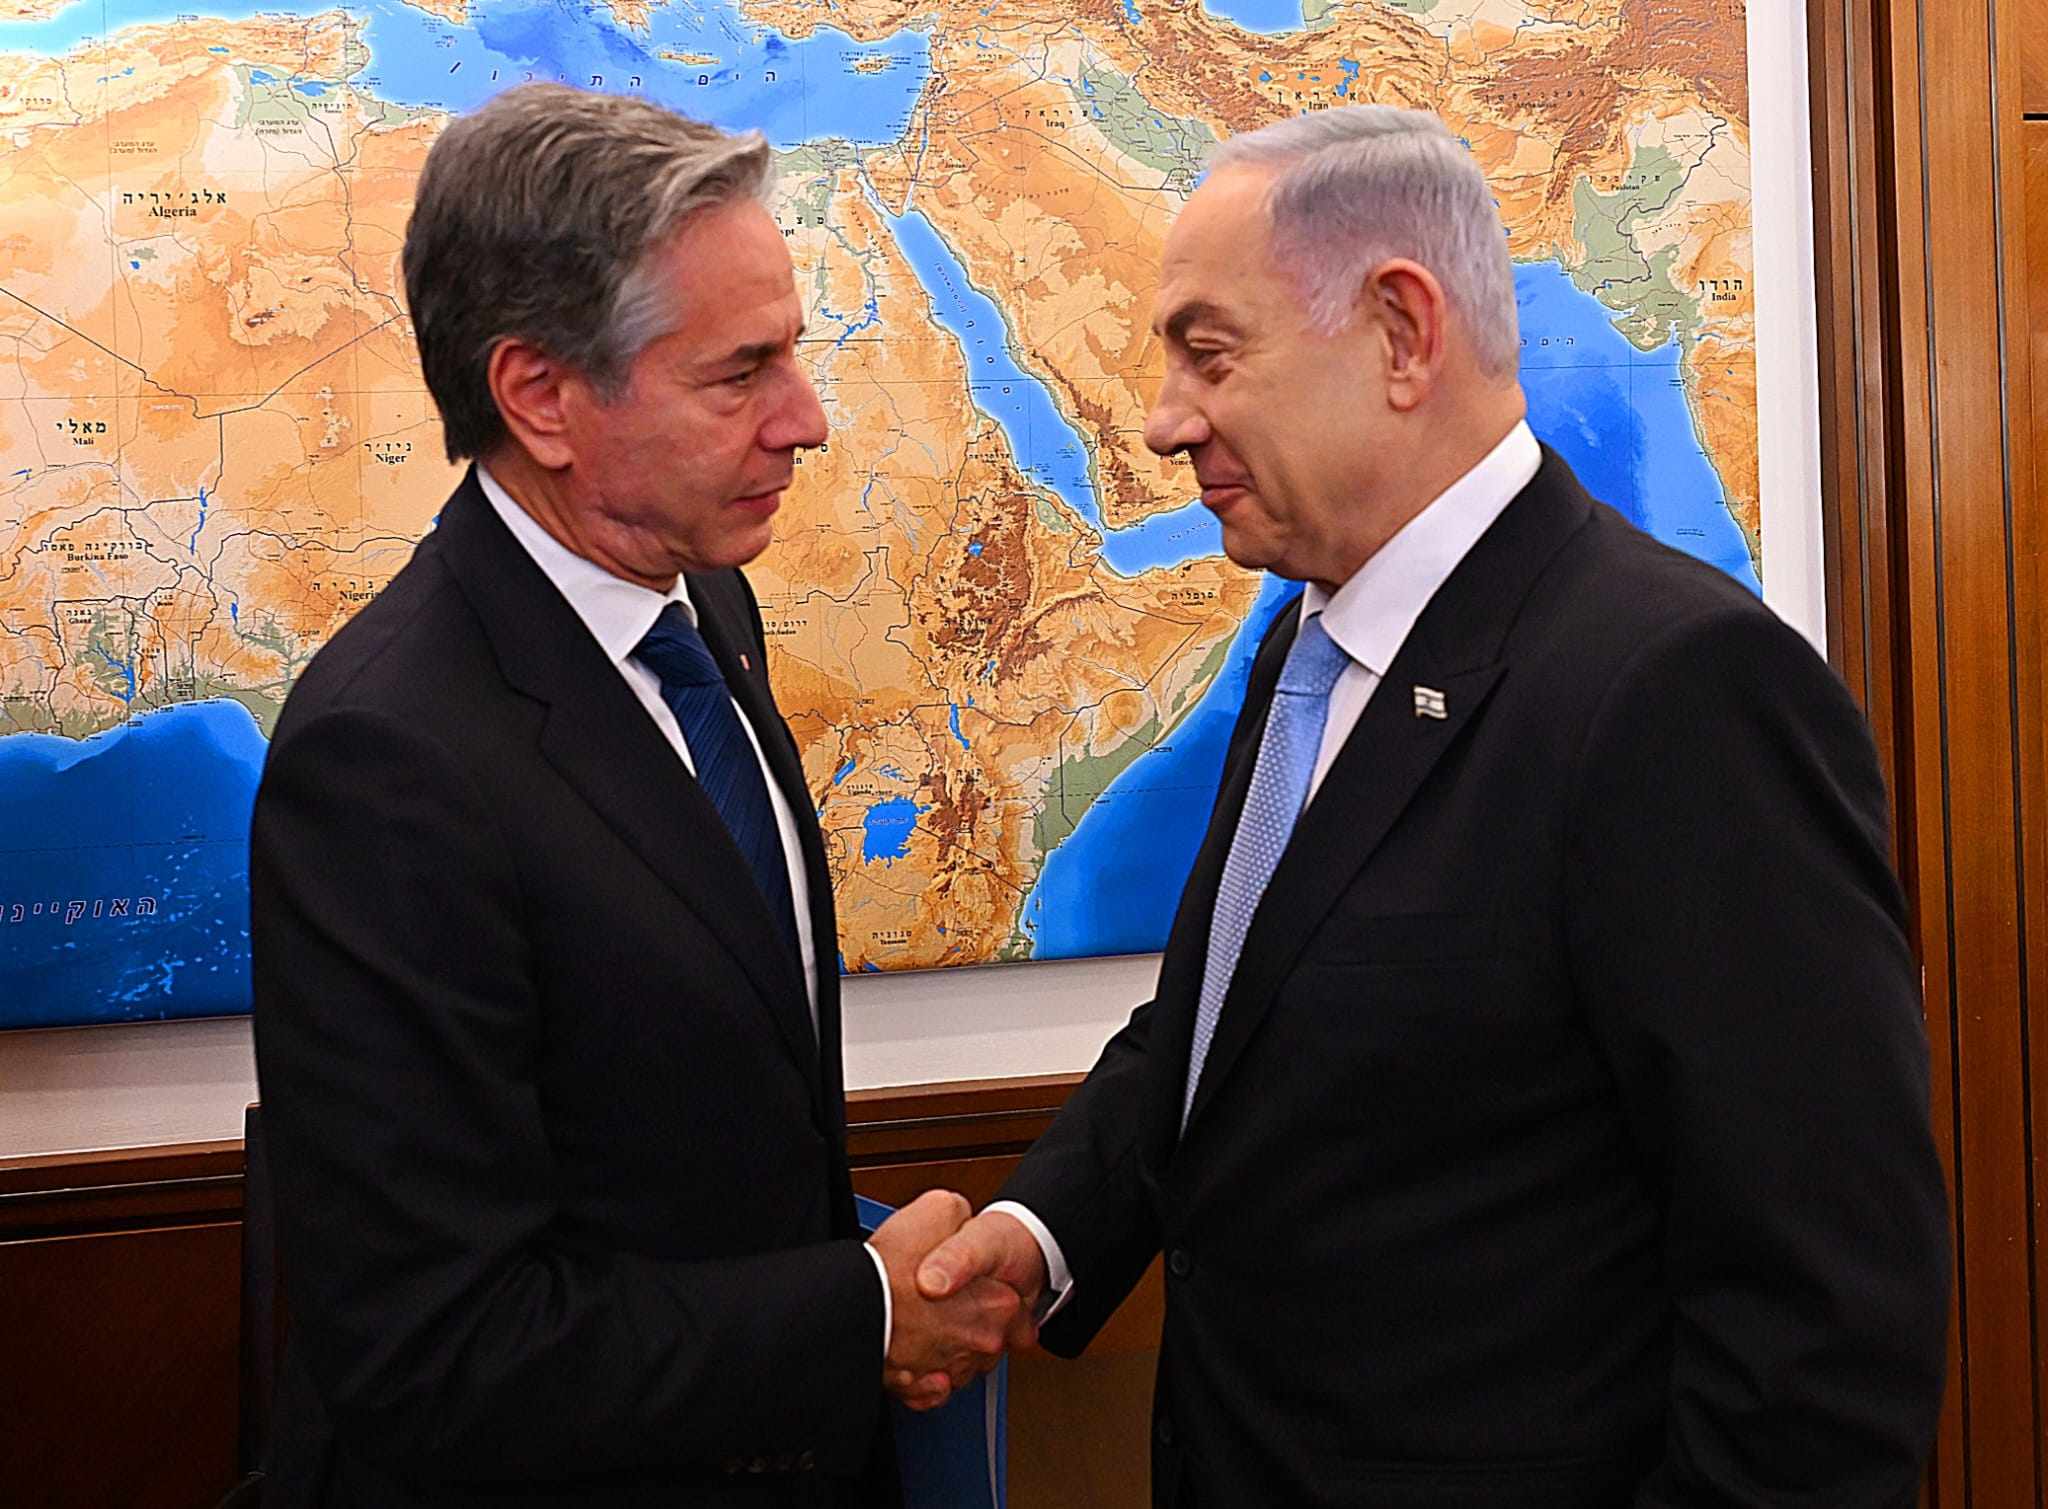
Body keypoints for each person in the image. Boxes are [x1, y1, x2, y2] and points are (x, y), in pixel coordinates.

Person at [919, 106, 1950, 1507]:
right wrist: (1045, 1228)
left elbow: (1824, 1321)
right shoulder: (1305, 644)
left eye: (1209, 354)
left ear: (1403, 333)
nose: (1164, 421)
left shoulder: (1677, 692)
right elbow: (1232, 1017)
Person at [249, 85, 1016, 1509]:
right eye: (741, 374)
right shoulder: (387, 759)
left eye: (793, 353)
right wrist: (860, 1312)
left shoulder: (708, 602)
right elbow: (441, 1353)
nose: (809, 420)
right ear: (541, 395)